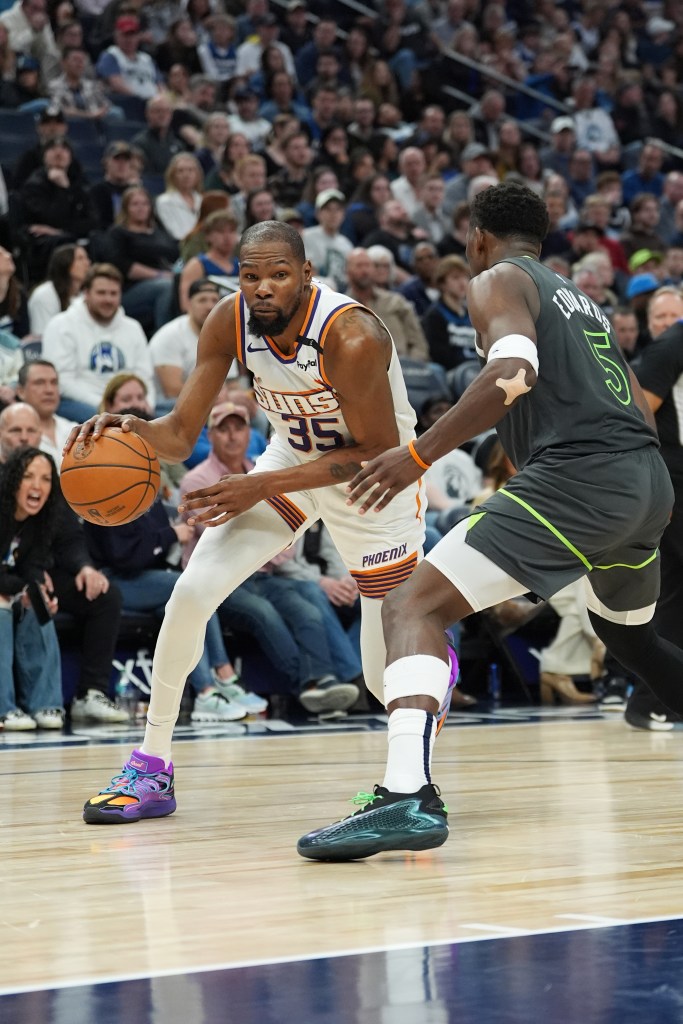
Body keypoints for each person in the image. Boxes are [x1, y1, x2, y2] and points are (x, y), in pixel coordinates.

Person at [296, 181, 683, 861]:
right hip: (646, 482)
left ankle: (405, 795)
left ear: (476, 238)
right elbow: (632, 406)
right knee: (625, 635)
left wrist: (417, 454)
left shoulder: (496, 279)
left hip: (580, 479)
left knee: (411, 604)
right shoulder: (581, 299)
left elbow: (511, 372)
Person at [74, 218, 449, 825]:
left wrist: (259, 484)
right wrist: (131, 430)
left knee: (388, 679)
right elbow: (178, 435)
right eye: (252, 276)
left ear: (306, 274)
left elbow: (372, 454)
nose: (264, 288)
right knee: (191, 593)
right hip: (293, 462)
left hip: (376, 482)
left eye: (279, 274)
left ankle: (413, 762)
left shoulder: (350, 335)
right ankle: (151, 766)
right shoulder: (229, 319)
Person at [0, 402, 126, 723]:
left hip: (30, 571)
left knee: (88, 597)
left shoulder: (47, 486)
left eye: (31, 430)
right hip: (8, 580)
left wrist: (81, 568)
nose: (24, 437)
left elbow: (65, 537)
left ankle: (69, 698)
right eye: (16, 430)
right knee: (7, 606)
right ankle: (5, 707)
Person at [0, 445, 64, 731]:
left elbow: (32, 567)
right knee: (1, 607)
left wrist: (35, 591)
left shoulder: (41, 521)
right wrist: (19, 588)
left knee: (39, 605)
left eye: (46, 479)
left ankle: (44, 703)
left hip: (8, 585)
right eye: (29, 477)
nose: (37, 486)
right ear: (14, 479)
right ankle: (4, 709)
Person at [42, 262, 155, 421]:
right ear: (86, 293)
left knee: (178, 417)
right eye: (101, 293)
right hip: (82, 403)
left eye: (113, 293)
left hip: (130, 404)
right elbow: (63, 381)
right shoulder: (61, 325)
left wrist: (145, 405)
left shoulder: (133, 327)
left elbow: (145, 376)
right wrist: (106, 406)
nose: (108, 299)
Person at [149, 278, 221, 408]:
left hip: (210, 401)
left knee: (256, 414)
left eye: (214, 300)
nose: (209, 306)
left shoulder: (221, 335)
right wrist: (216, 399)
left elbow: (231, 383)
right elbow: (172, 390)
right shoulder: (170, 335)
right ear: (188, 304)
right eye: (202, 300)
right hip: (166, 406)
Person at [27, 242, 90, 336]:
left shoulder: (84, 295)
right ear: (65, 264)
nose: (87, 263)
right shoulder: (45, 295)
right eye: (80, 259)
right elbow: (42, 336)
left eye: (87, 258)